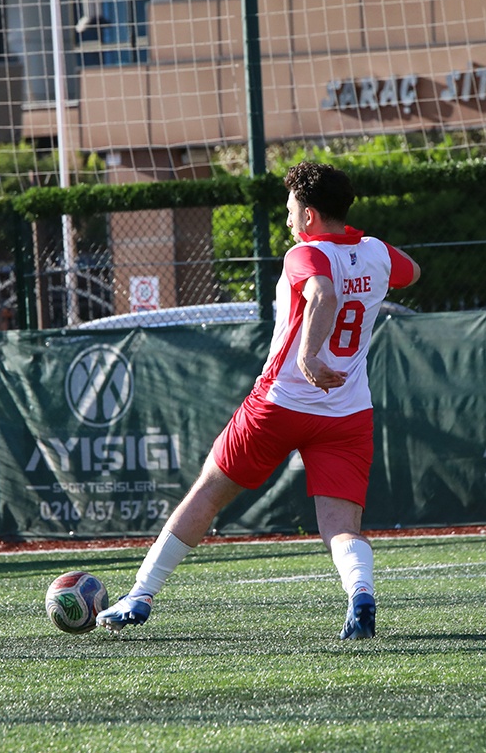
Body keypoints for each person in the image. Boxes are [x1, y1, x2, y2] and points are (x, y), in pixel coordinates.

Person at [95, 162, 420, 639]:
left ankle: (140, 596)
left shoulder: (304, 253)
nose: (287, 219)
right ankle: (360, 594)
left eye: (290, 210)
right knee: (340, 527)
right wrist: (366, 258)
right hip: (346, 412)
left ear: (308, 215)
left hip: (280, 404)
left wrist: (308, 355)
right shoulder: (376, 252)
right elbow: (412, 271)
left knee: (208, 492)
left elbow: (324, 294)